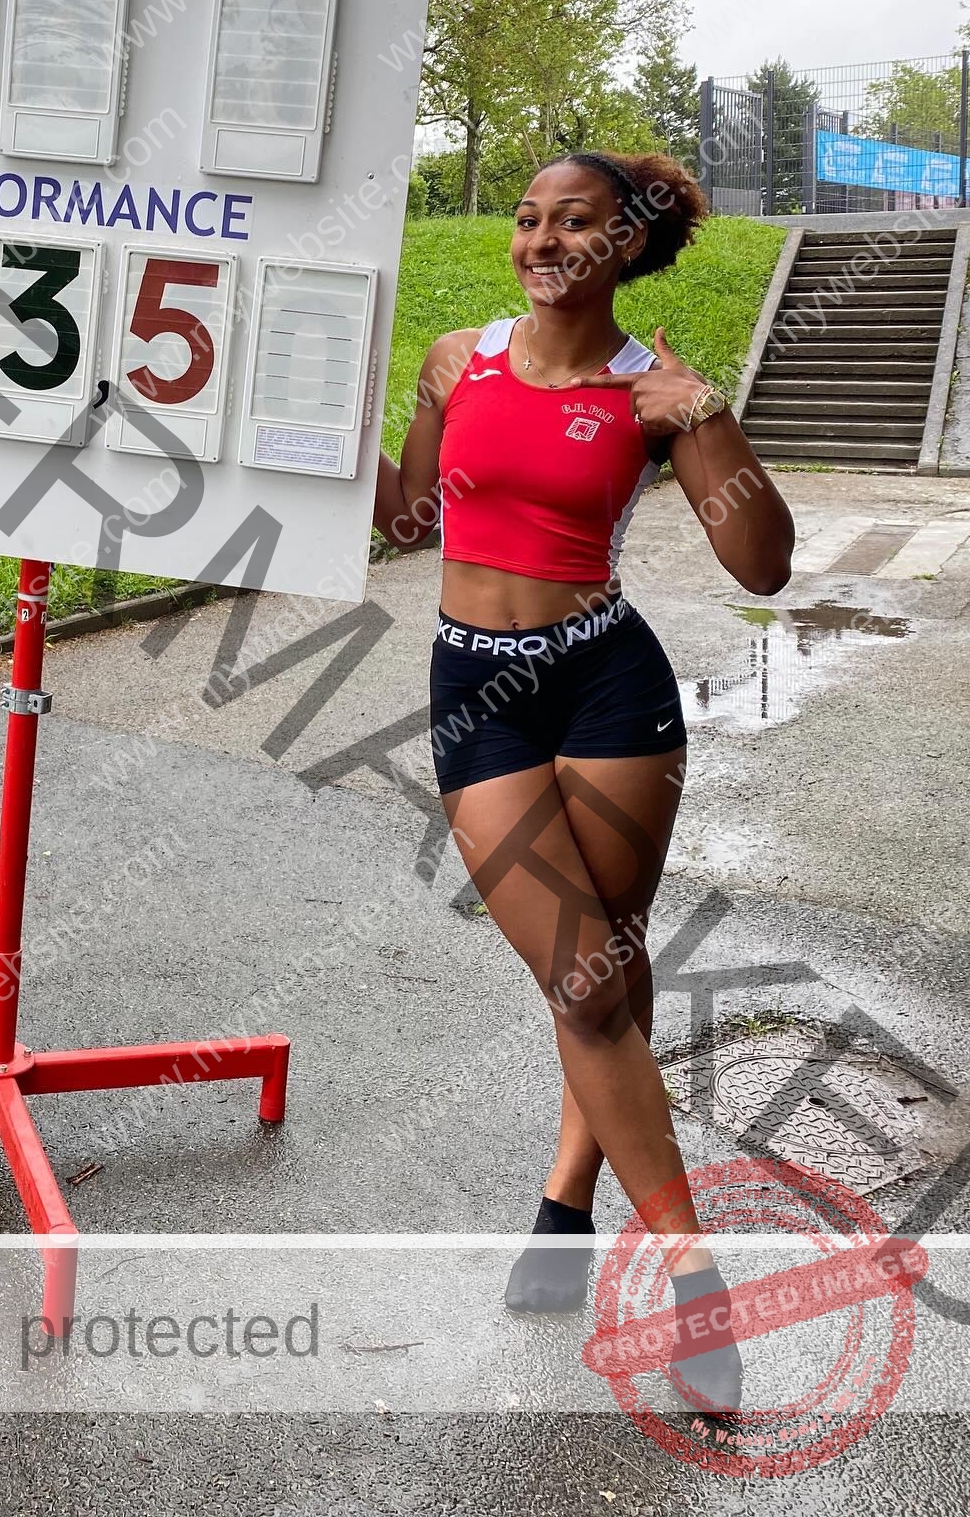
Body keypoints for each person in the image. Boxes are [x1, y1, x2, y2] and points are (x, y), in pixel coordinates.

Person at [373, 150, 795, 1414]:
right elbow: (409, 527)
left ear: (630, 245)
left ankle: (565, 1203)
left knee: (603, 964)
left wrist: (703, 412)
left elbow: (764, 566)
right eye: (529, 218)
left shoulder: (652, 392)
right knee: (585, 976)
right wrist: (361, 411)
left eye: (578, 223)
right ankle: (692, 1274)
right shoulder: (462, 358)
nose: (544, 239)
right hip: (479, 688)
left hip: (610, 686)